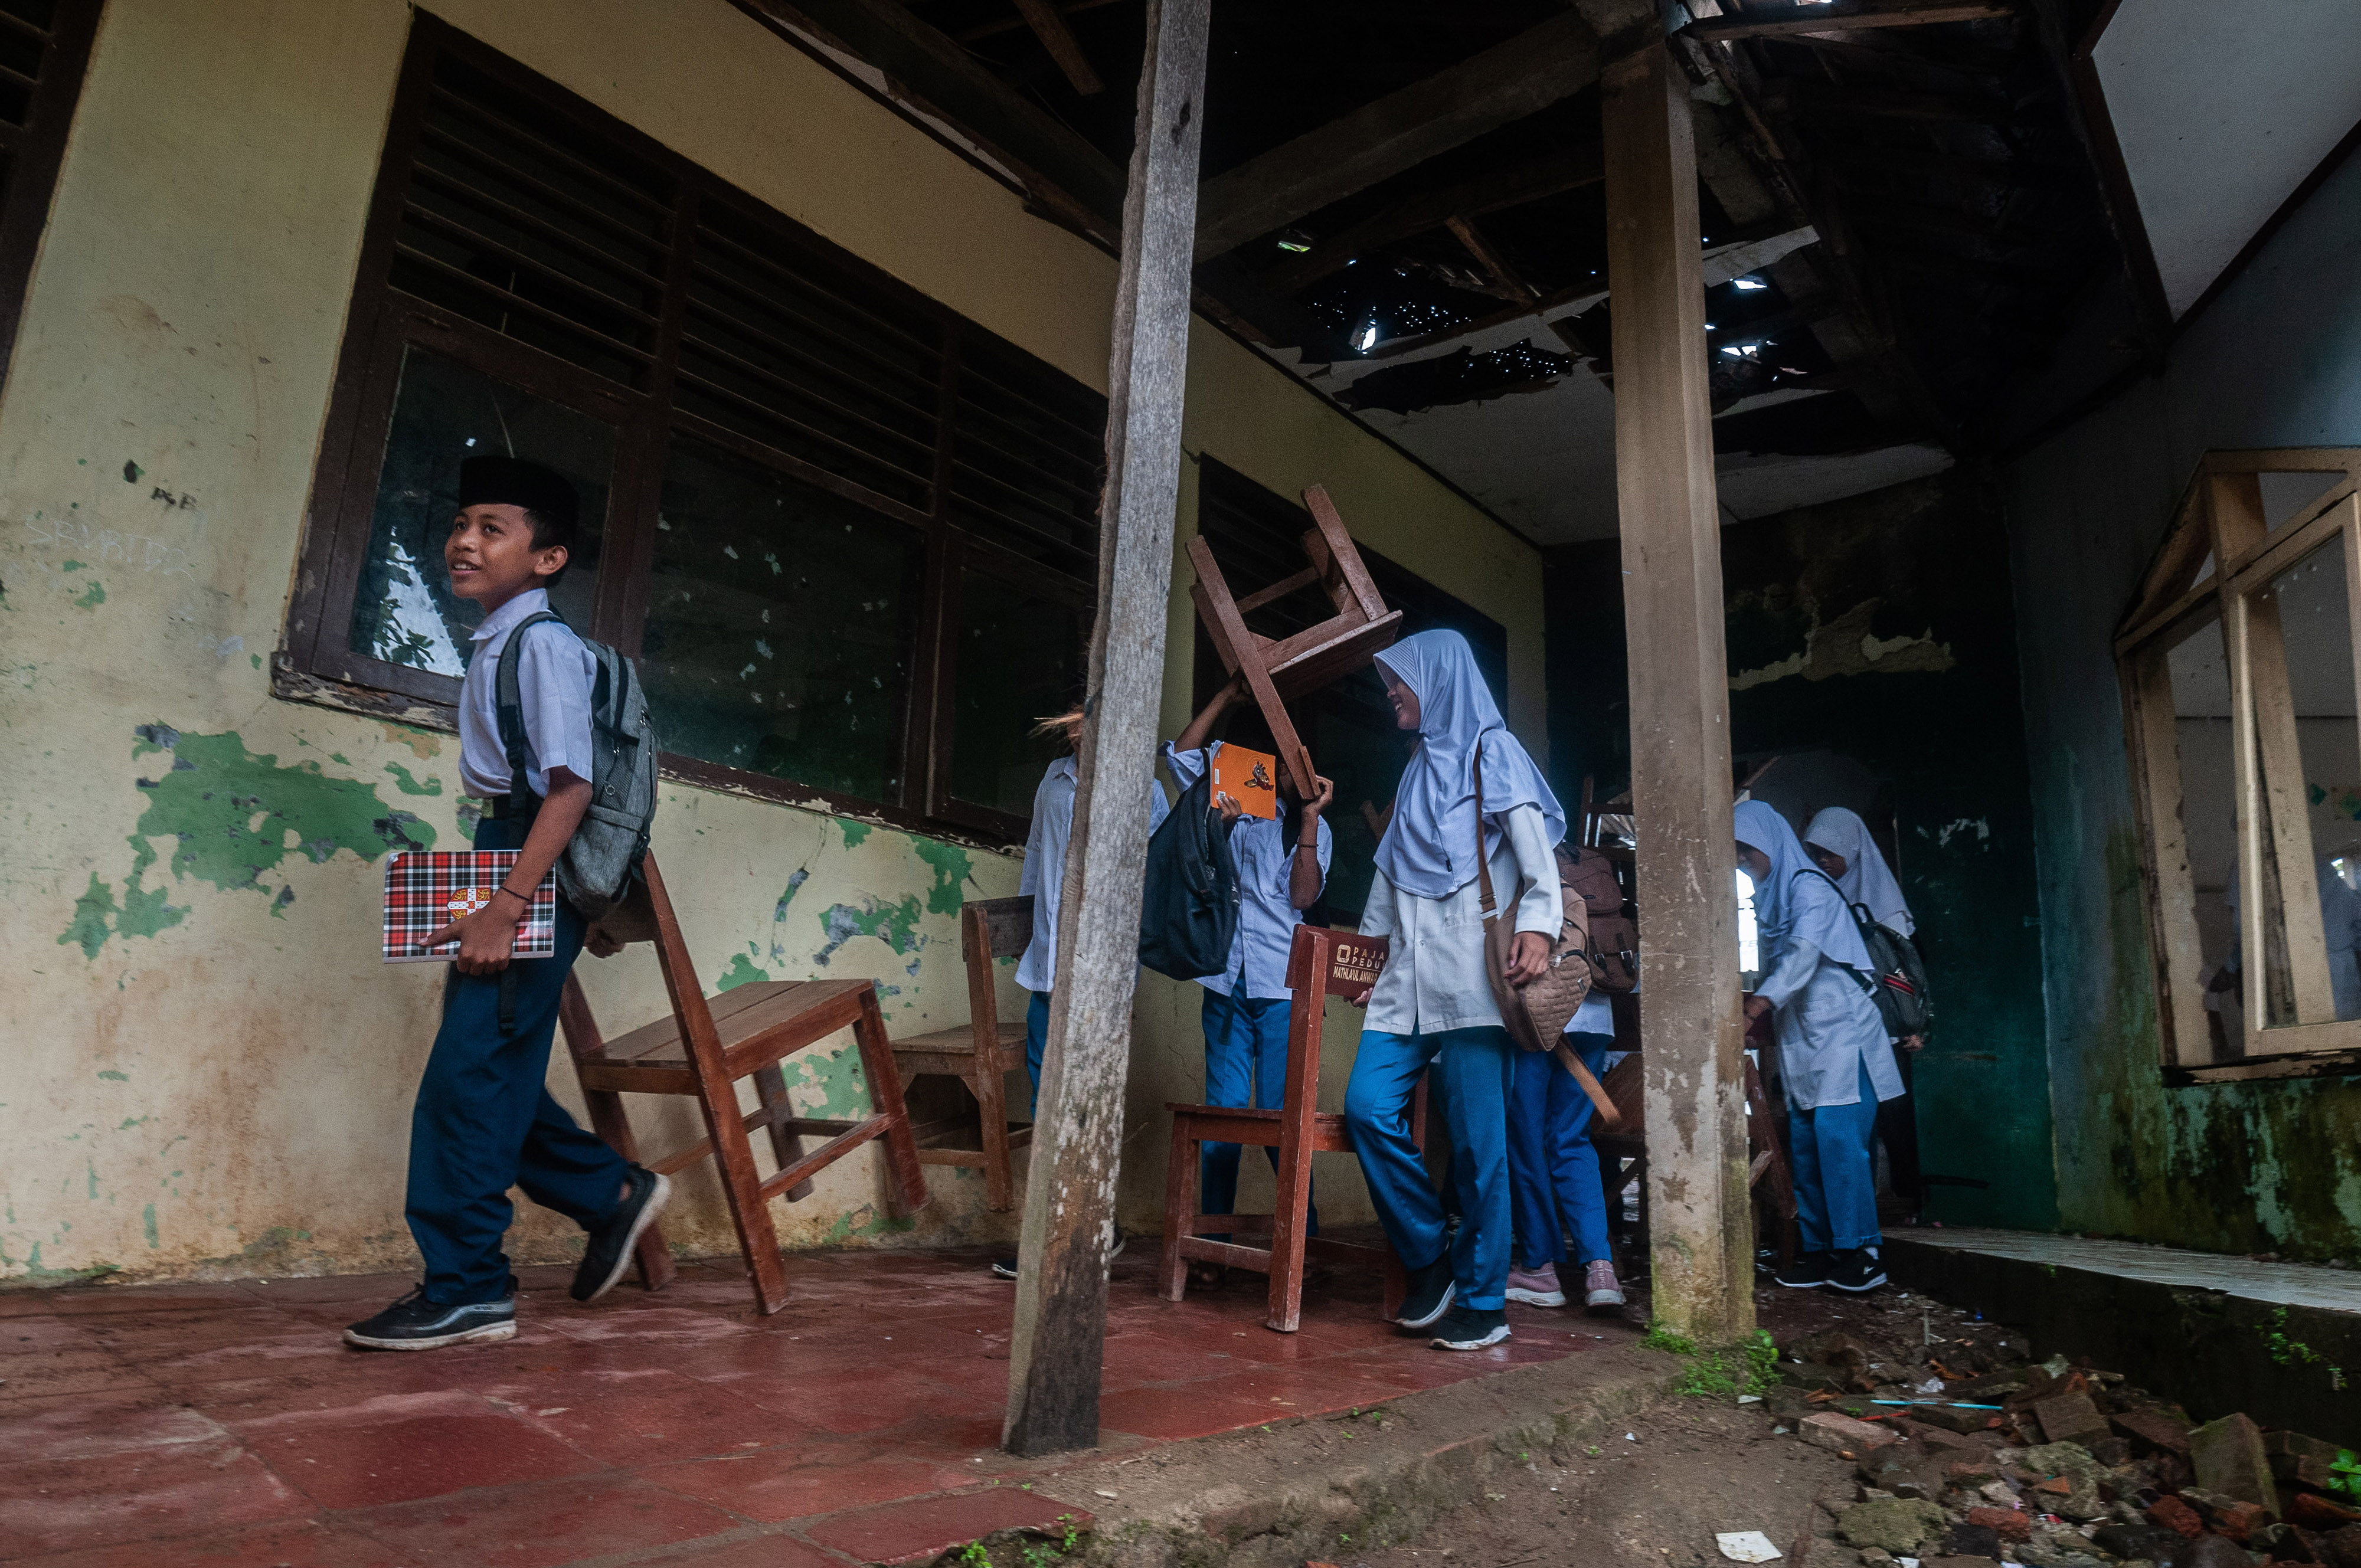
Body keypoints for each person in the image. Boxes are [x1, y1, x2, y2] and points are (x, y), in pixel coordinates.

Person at [345, 457, 668, 1351]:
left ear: (549, 558)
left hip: (528, 860)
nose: (463, 541)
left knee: (468, 1080)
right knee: (487, 1069)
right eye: (462, 525)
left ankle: (469, 1287)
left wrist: (510, 901)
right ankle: (612, 1193)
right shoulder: (500, 641)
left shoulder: (544, 648)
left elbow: (569, 790)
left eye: (493, 528)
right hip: (507, 850)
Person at [1343, 630, 1564, 1351]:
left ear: (1437, 679)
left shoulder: (1490, 752)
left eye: (1398, 680)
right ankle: (1429, 1259)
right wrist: (1365, 958)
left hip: (1473, 979)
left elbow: (1536, 856)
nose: (1391, 694)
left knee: (1477, 1148)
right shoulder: (1417, 769)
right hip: (1406, 979)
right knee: (1368, 1107)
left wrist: (1538, 924)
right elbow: (1390, 876)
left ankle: (1482, 1298)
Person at [1162, 679, 1336, 1277]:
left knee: (1279, 1119)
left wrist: (1310, 820)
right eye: (1283, 766)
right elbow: (1180, 756)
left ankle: (1301, 1240)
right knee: (1222, 1115)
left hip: (1282, 991)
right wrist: (1222, 699)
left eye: (1300, 769)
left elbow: (1302, 895)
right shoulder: (1231, 788)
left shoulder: (1308, 828)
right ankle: (1211, 1247)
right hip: (1225, 982)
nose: (1289, 776)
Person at [990, 708, 1170, 1279]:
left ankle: (1079, 1231)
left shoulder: (1143, 787)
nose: (1074, 730)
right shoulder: (1054, 776)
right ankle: (1069, 1229)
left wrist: (1123, 966)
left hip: (1102, 967)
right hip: (1049, 961)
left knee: (1086, 1095)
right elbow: (1037, 852)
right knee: (1046, 1094)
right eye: (1071, 720)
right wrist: (1029, 937)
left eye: (1087, 719)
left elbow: (1151, 879)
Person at [1737, 799, 1902, 1294]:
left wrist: (1757, 1004)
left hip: (1842, 1034)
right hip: (1804, 1037)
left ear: (1771, 843)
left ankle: (1862, 1252)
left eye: (1748, 851)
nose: (1743, 861)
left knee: (1838, 1140)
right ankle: (1819, 1248)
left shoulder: (1810, 889)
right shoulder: (1773, 897)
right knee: (1806, 1142)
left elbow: (1804, 957)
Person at [1804, 807, 1924, 1210]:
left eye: (1830, 854)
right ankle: (1867, 1202)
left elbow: (1906, 970)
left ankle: (1906, 1199)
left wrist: (1914, 1024)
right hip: (1845, 1024)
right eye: (1815, 853)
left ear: (1854, 851)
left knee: (1895, 1114)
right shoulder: (1819, 895)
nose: (1823, 862)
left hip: (1887, 1026)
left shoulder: (1884, 905)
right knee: (1858, 1118)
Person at [1503, 952, 1624, 1314]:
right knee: (1571, 1139)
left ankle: (1540, 1269)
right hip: (1592, 1010)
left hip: (1532, 1011)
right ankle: (1601, 1272)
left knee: (1526, 1143)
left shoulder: (1524, 891)